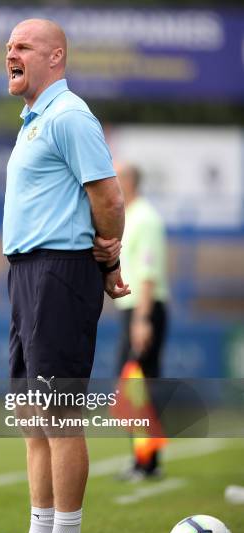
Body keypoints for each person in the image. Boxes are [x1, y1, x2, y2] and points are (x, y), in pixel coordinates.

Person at [0, 18, 129, 533]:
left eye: (22, 46)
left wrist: (110, 262)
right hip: (27, 272)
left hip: (59, 271)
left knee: (60, 411)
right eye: (8, 47)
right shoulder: (34, 121)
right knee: (30, 412)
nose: (10, 54)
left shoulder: (69, 116)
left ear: (56, 57)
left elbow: (109, 198)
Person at [95, 163, 169, 481]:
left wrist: (142, 319)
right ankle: (143, 460)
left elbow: (149, 273)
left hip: (145, 309)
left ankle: (147, 462)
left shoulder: (147, 219)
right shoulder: (133, 217)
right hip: (133, 310)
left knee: (137, 388)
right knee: (132, 388)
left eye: (116, 177)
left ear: (128, 182)